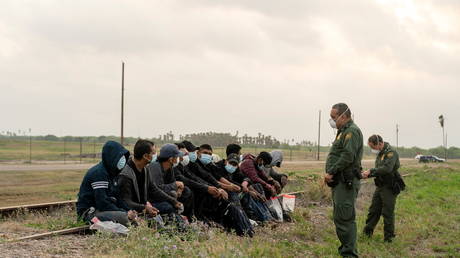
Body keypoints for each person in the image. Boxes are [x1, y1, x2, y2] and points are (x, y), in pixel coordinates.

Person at [324, 103, 363, 258]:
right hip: (340, 182)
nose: (332, 120)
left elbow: (348, 156)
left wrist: (331, 171)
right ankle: (346, 251)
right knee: (341, 217)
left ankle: (349, 254)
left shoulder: (352, 131)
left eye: (334, 117)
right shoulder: (342, 131)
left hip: (345, 182)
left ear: (344, 116)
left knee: (345, 218)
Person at [76, 141, 136, 226]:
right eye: (119, 157)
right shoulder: (99, 173)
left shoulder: (112, 174)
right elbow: (102, 202)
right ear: (111, 157)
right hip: (90, 213)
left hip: (102, 211)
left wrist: (128, 210)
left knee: (129, 217)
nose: (122, 160)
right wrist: (124, 213)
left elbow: (118, 198)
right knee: (124, 217)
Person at [118, 139, 175, 217]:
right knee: (167, 208)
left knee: (169, 204)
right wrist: (145, 208)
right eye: (153, 153)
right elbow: (126, 201)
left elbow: (154, 189)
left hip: (142, 207)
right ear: (145, 156)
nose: (156, 155)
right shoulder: (126, 173)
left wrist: (173, 201)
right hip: (130, 212)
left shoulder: (145, 169)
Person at [361, 135, 402, 243]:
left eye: (373, 147)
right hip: (380, 186)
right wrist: (367, 174)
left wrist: (370, 171)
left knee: (387, 212)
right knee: (373, 210)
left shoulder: (391, 152)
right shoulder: (380, 153)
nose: (372, 149)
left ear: (379, 144)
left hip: (389, 186)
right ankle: (367, 234)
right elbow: (378, 170)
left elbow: (386, 169)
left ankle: (389, 238)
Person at [147, 144, 191, 215]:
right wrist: (174, 185)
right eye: (177, 157)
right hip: (152, 199)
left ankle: (181, 215)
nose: (179, 158)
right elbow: (156, 190)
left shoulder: (169, 167)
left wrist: (179, 189)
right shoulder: (155, 167)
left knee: (186, 191)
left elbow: (172, 182)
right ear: (171, 159)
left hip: (164, 194)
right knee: (167, 206)